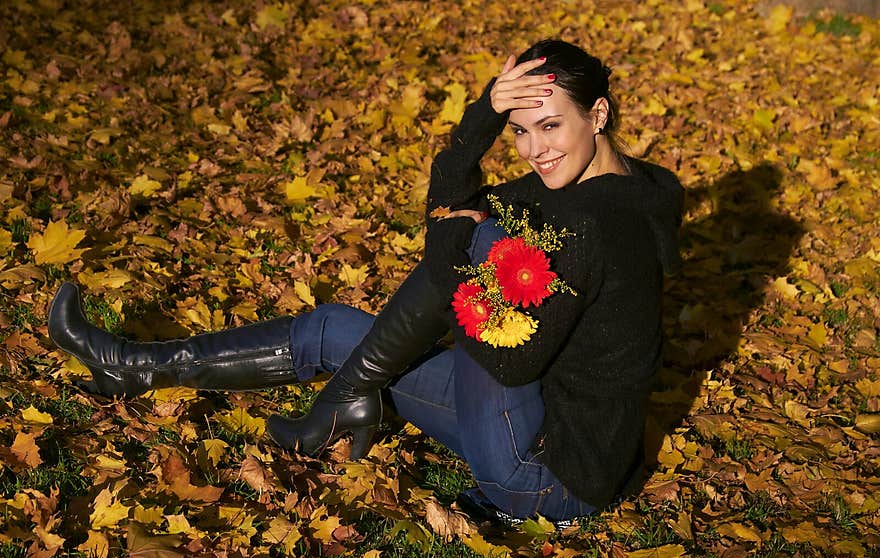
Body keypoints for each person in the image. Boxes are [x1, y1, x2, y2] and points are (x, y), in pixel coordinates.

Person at [47, 39, 684, 528]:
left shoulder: (593, 223)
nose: (532, 149)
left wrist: (458, 254)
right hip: (544, 408)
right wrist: (483, 118)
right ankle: (136, 366)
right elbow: (453, 201)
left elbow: (506, 355)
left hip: (549, 473)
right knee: (338, 325)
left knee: (483, 243)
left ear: (597, 113)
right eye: (519, 130)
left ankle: (341, 402)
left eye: (550, 126)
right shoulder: (624, 183)